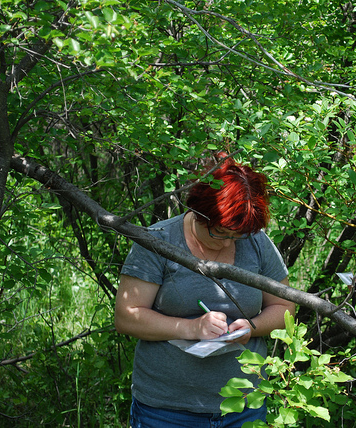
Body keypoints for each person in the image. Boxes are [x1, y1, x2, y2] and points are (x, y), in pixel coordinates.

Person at [114, 157, 294, 428]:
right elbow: (127, 316)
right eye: (220, 232)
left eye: (237, 236)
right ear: (199, 212)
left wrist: (252, 327)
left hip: (244, 404)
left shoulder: (256, 242)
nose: (228, 243)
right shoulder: (158, 240)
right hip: (167, 410)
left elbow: (285, 308)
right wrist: (192, 327)